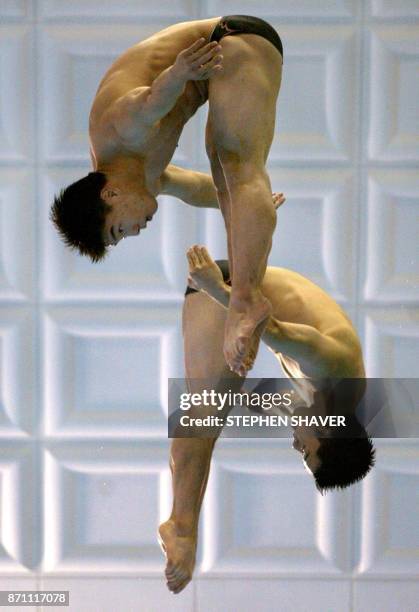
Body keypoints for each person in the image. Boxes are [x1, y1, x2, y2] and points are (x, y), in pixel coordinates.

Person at [49, 15, 284, 375]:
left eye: (119, 230)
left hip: (229, 41)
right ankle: (245, 297)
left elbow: (150, 102)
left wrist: (179, 71)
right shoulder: (142, 178)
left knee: (236, 164)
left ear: (110, 194)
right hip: (218, 64)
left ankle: (245, 301)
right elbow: (197, 189)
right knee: (228, 185)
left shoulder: (117, 133)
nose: (135, 232)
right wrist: (255, 205)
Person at [158, 245, 375, 594]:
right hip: (230, 288)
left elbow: (262, 400)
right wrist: (214, 286)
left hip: (236, 287)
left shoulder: (325, 401)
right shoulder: (338, 370)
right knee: (205, 413)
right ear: (329, 434)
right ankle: (181, 528)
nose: (295, 445)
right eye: (306, 452)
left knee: (210, 411)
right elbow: (271, 326)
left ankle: (184, 528)